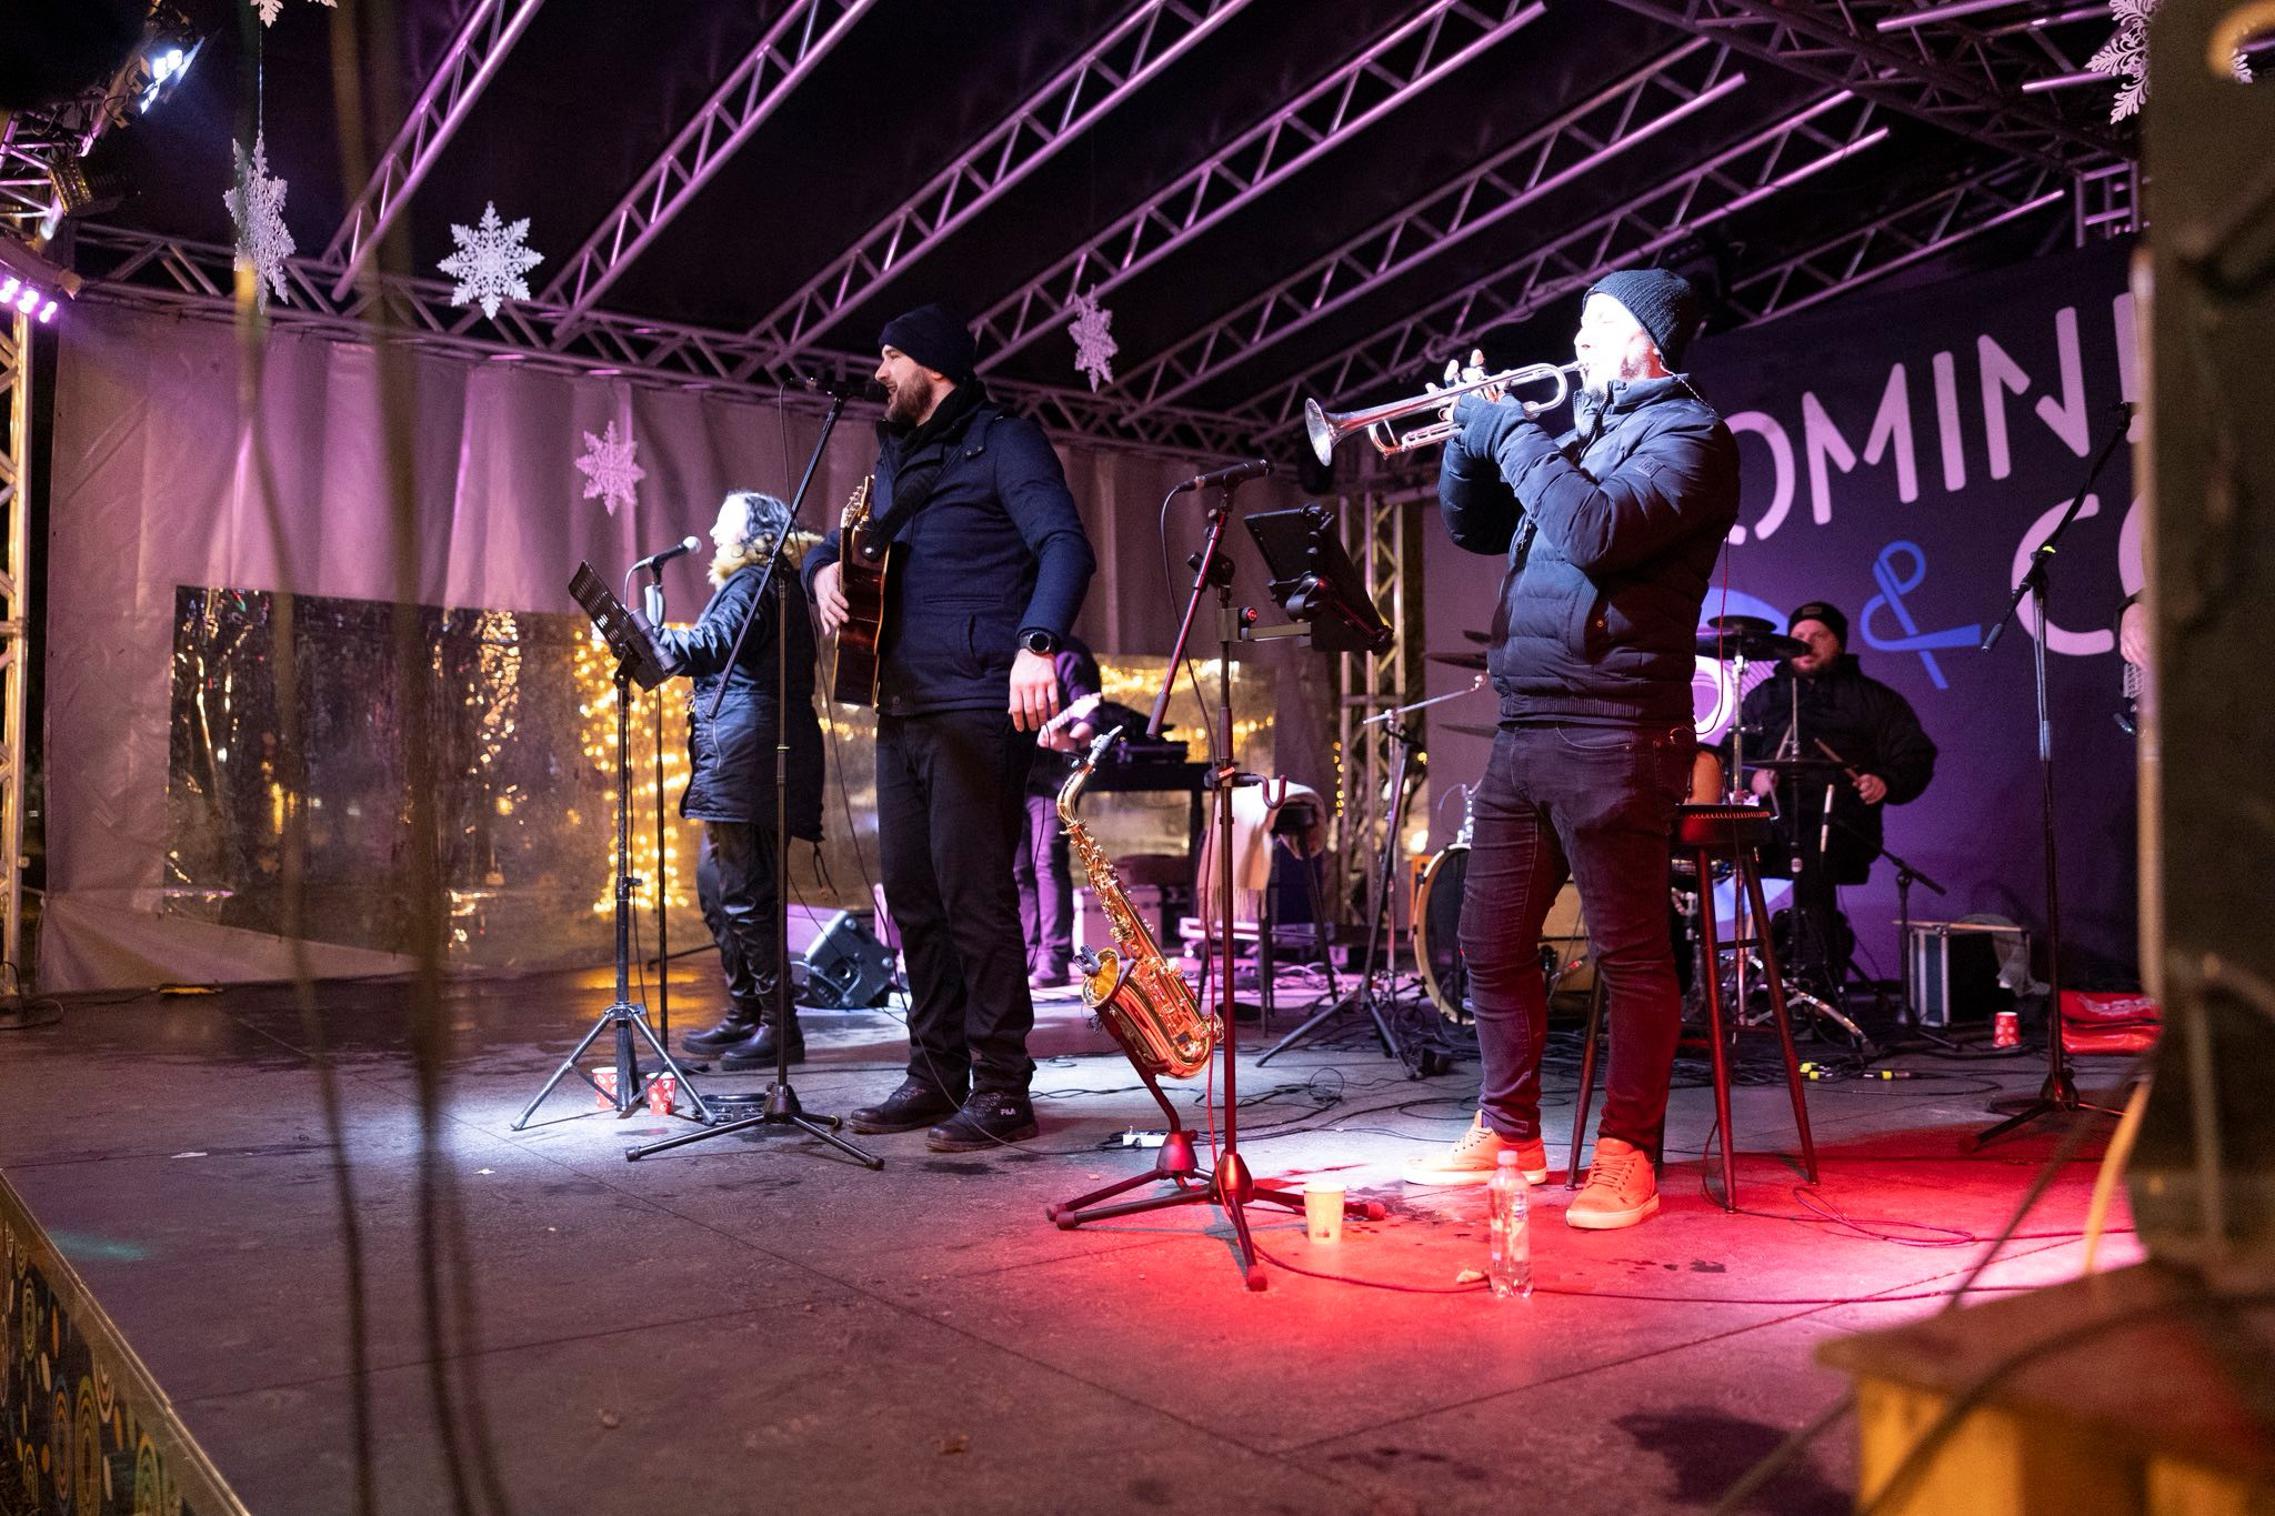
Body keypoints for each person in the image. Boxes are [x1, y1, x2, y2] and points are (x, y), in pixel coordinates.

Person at [1401, 268, 1739, 1232]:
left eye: (1597, 324)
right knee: (1487, 941)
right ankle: (1510, 1131)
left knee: (1630, 955)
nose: (1577, 341)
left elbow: (1595, 531)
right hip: (1529, 722)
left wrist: (1508, 428)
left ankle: (1627, 1152)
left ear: (1646, 343)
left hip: (1617, 727)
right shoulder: (1582, 434)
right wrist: (1466, 440)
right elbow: (1474, 526)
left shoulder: (1692, 438)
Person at [806, 303, 1096, 1151]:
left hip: (974, 703)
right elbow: (839, 541)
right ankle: (935, 1074)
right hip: (900, 703)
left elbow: (1066, 546)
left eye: (889, 357)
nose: (877, 373)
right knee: (915, 899)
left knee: (974, 896)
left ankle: (1002, 1087)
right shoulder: (894, 460)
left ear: (932, 364)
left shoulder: (1006, 442)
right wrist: (821, 569)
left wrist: (1036, 645)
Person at [639, 491, 824, 1068]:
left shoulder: (754, 583)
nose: (715, 533)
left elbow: (710, 647)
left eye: (725, 524)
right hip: (747, 751)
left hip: (751, 754)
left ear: (755, 533)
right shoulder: (767, 584)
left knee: (745, 893)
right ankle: (747, 1011)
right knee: (720, 888)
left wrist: (649, 636)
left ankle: (779, 1027)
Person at [1736, 601, 1936, 983]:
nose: (1806, 643)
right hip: (1775, 825)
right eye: (1798, 636)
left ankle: (1817, 983)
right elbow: (1732, 755)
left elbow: (1915, 754)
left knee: (1814, 867)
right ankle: (1769, 979)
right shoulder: (1766, 697)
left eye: (1819, 636)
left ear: (1839, 644)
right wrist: (1752, 779)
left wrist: (1885, 780)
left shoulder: (1871, 699)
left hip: (1842, 827)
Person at [1015, 634, 1103, 989]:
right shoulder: (1007, 648)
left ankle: (1053, 958)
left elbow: (1090, 714)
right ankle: (1028, 954)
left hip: (1051, 781)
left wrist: (1068, 740)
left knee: (1046, 861)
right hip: (1012, 777)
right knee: (1017, 869)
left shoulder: (1068, 655)